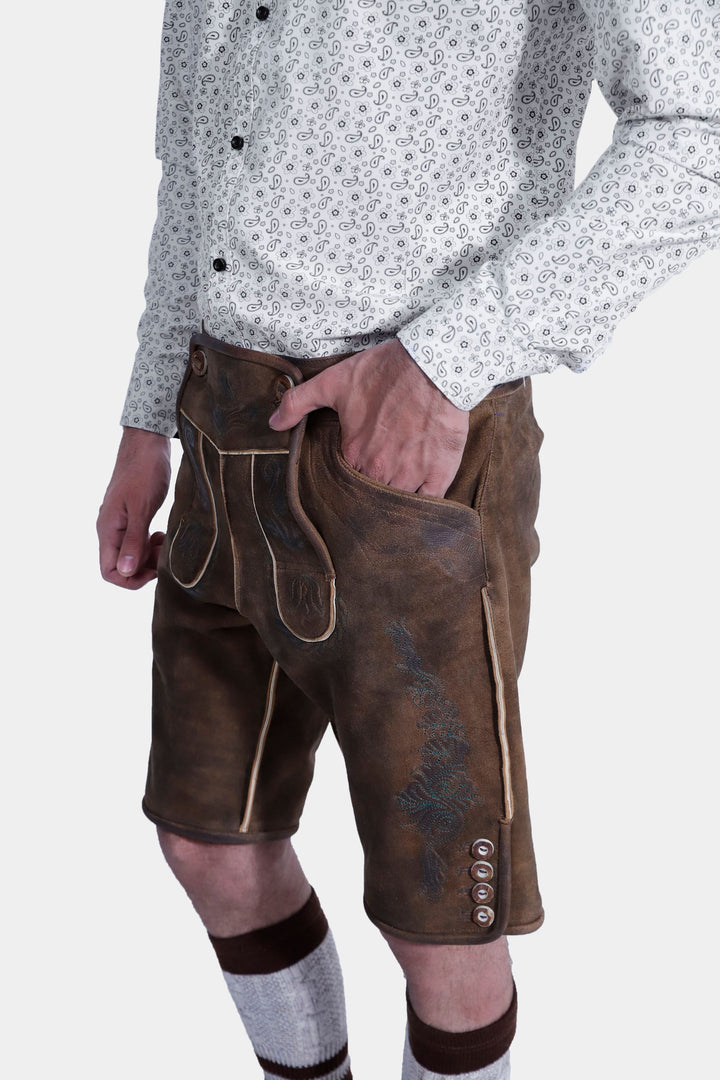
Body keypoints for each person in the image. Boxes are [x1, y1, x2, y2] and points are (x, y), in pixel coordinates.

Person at [97, 3, 719, 1078]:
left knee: (439, 918)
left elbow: (699, 127)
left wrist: (439, 361)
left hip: (407, 466)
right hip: (219, 425)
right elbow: (194, 152)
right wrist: (148, 416)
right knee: (210, 841)